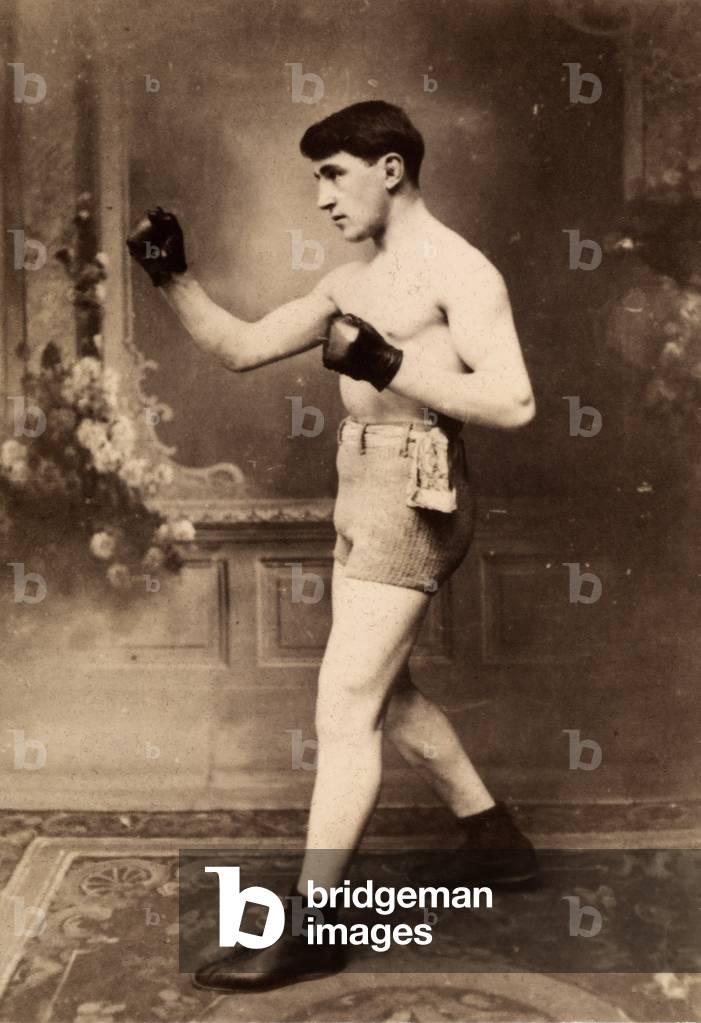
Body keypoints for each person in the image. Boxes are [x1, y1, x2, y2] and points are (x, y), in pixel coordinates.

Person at [127, 100, 538, 994]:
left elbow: (511, 403)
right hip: (357, 487)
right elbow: (239, 349)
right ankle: (492, 836)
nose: (319, 198)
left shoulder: (461, 272)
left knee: (344, 705)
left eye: (333, 174)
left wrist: (388, 365)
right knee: (386, 690)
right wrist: (172, 279)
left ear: (389, 168)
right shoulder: (353, 279)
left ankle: (315, 924)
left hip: (419, 495)